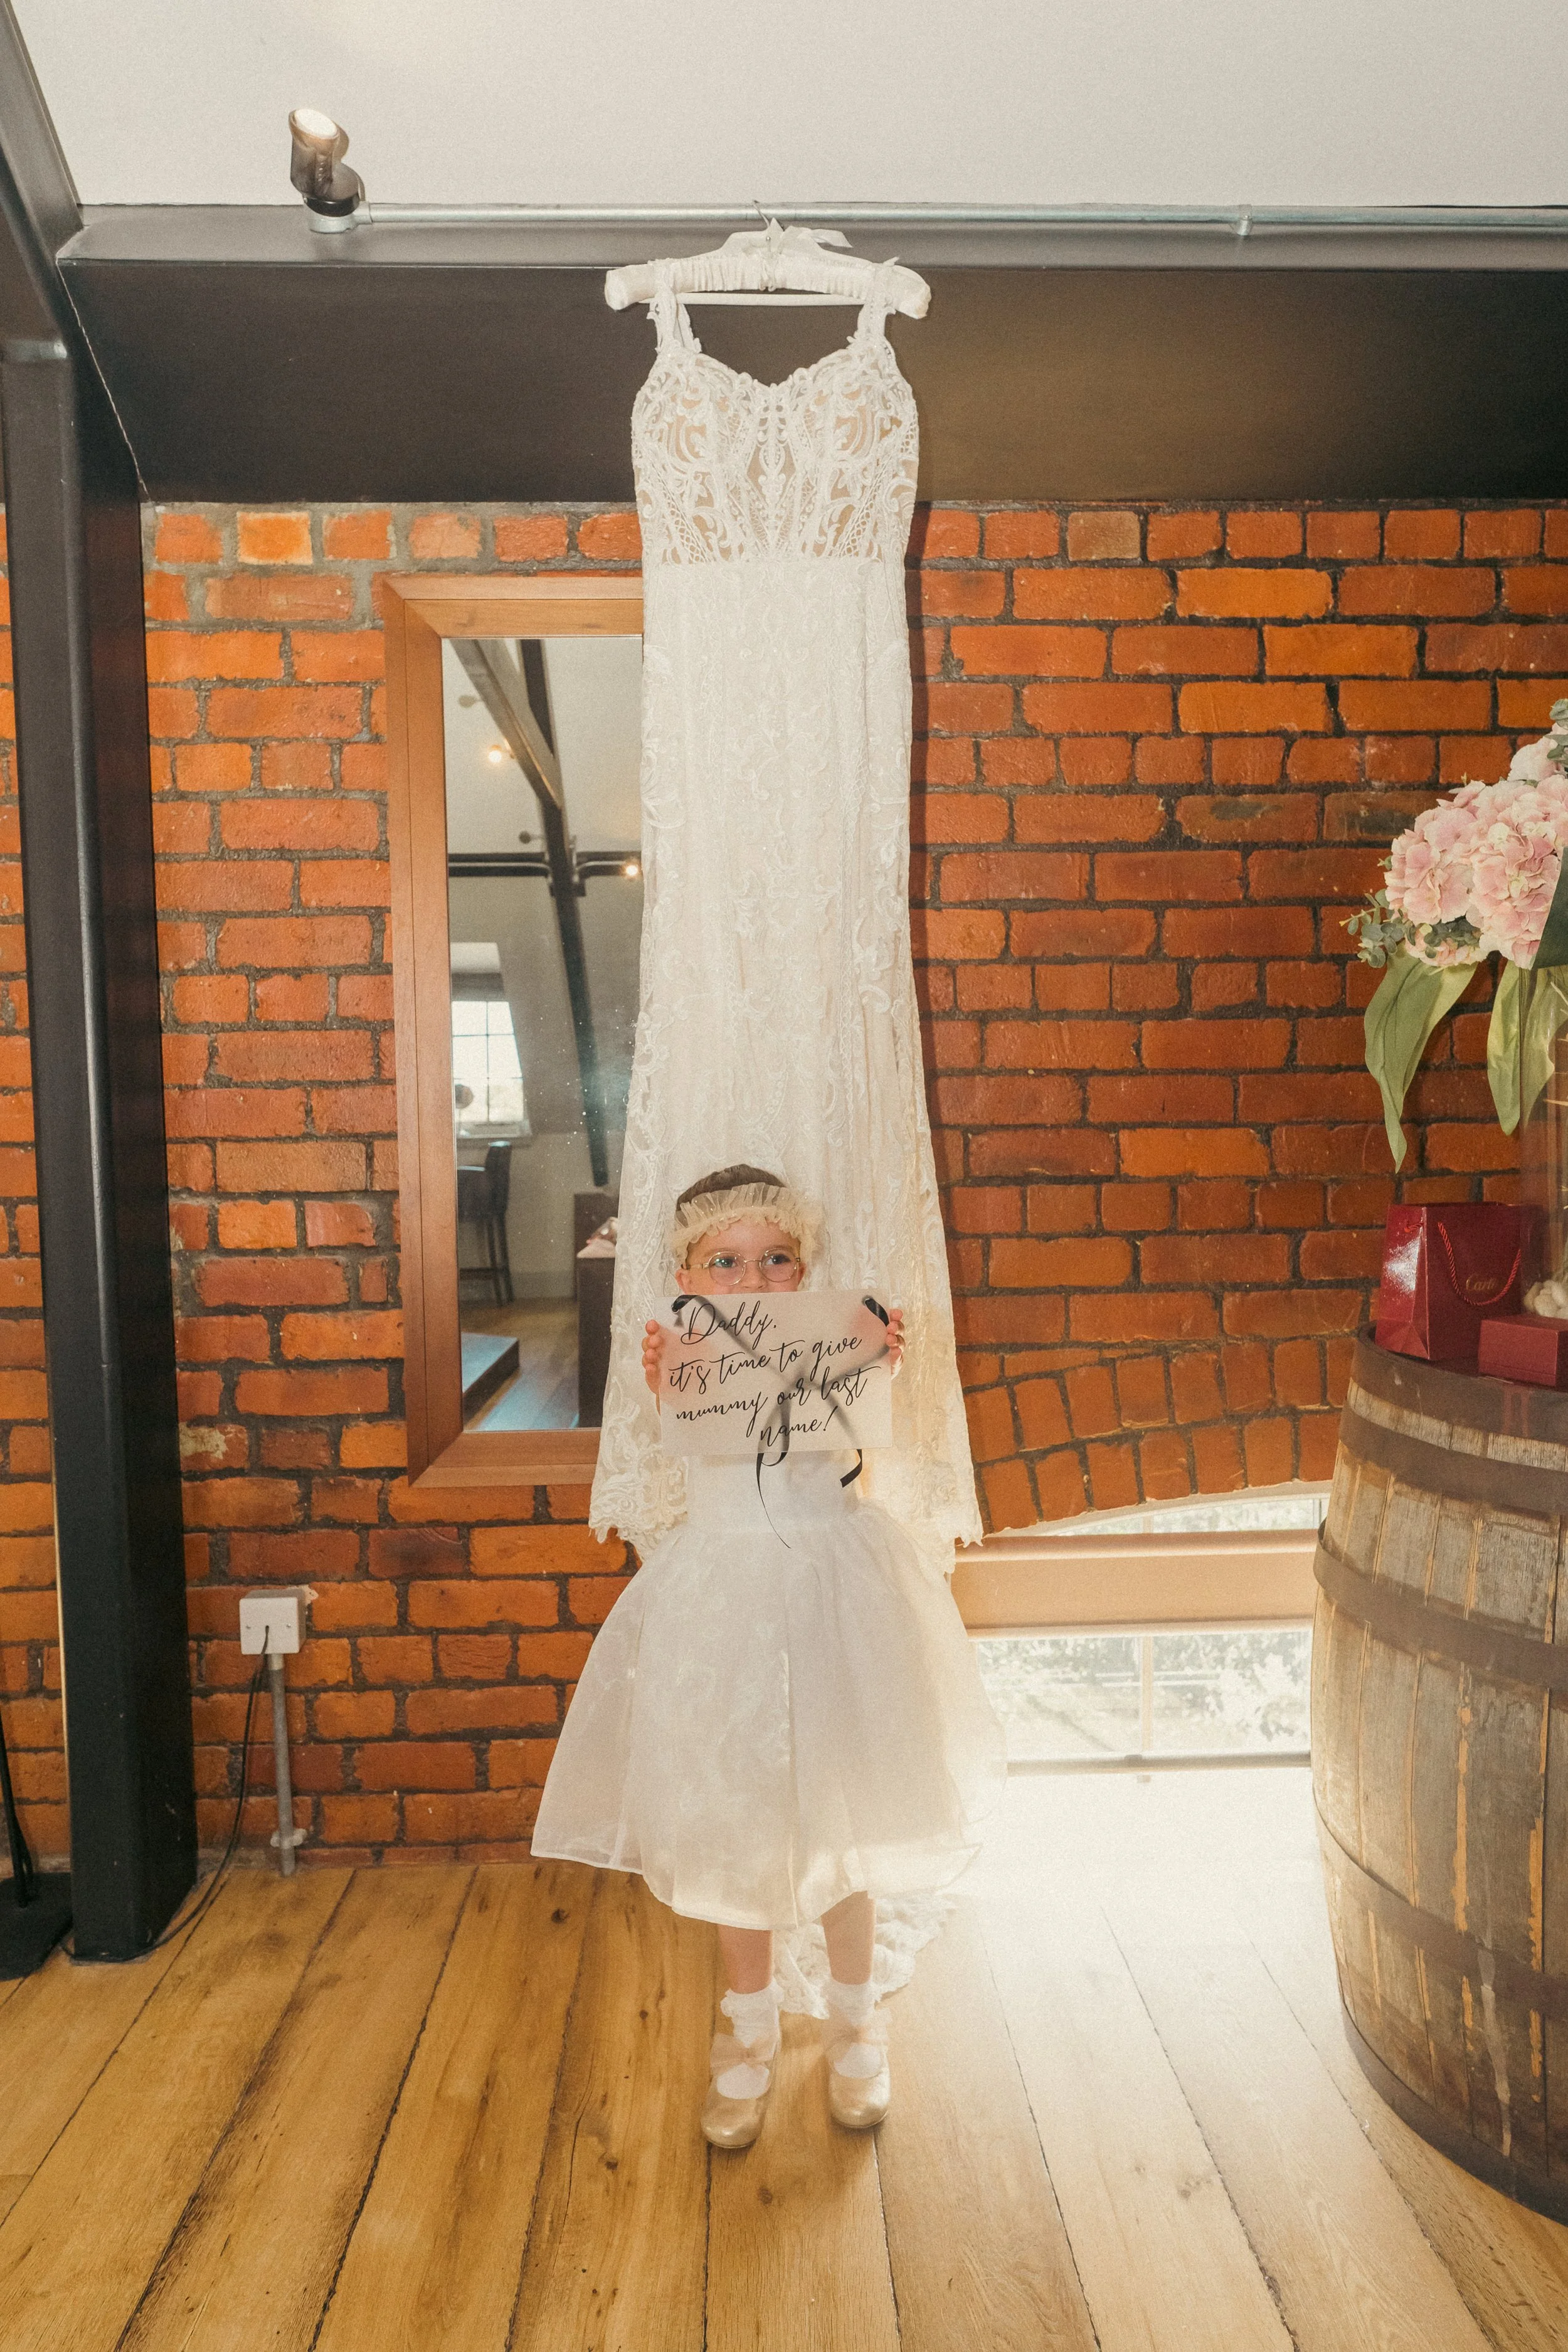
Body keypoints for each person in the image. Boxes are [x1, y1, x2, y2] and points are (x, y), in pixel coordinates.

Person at [530, 1165, 1005, 2149]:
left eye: (776, 1259)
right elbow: (695, 1448)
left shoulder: (832, 1344)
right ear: (692, 1273)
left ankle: (853, 2013)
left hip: (836, 1591)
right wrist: (666, 1383)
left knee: (842, 1806)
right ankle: (745, 2027)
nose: (754, 1278)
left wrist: (881, 1367)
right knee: (735, 1823)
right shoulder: (684, 1353)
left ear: (805, 1270)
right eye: (728, 1261)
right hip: (726, 1600)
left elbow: (845, 1455)